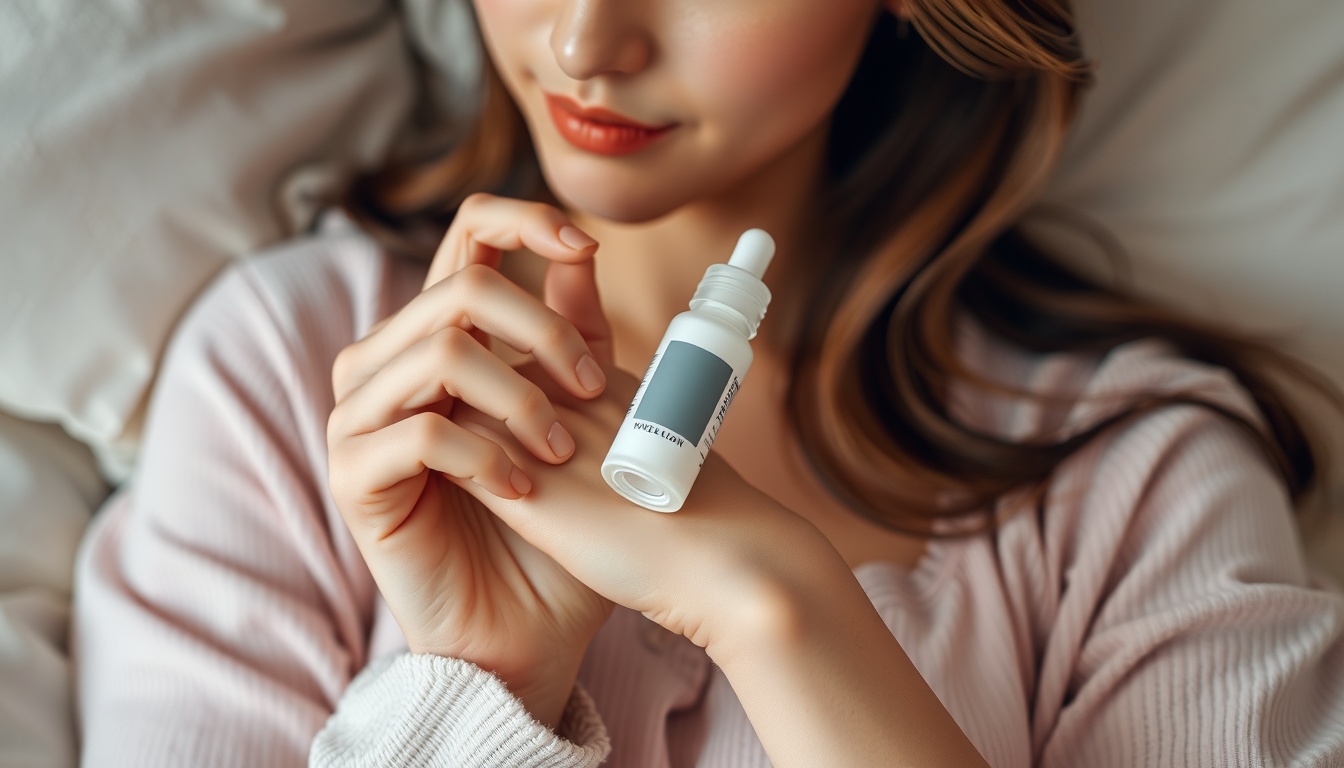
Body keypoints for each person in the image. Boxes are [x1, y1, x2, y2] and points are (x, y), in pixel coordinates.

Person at [72, 0, 1344, 765]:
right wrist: (483, 679)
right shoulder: (295, 370)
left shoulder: (1136, 475)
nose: (586, 38)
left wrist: (780, 607)